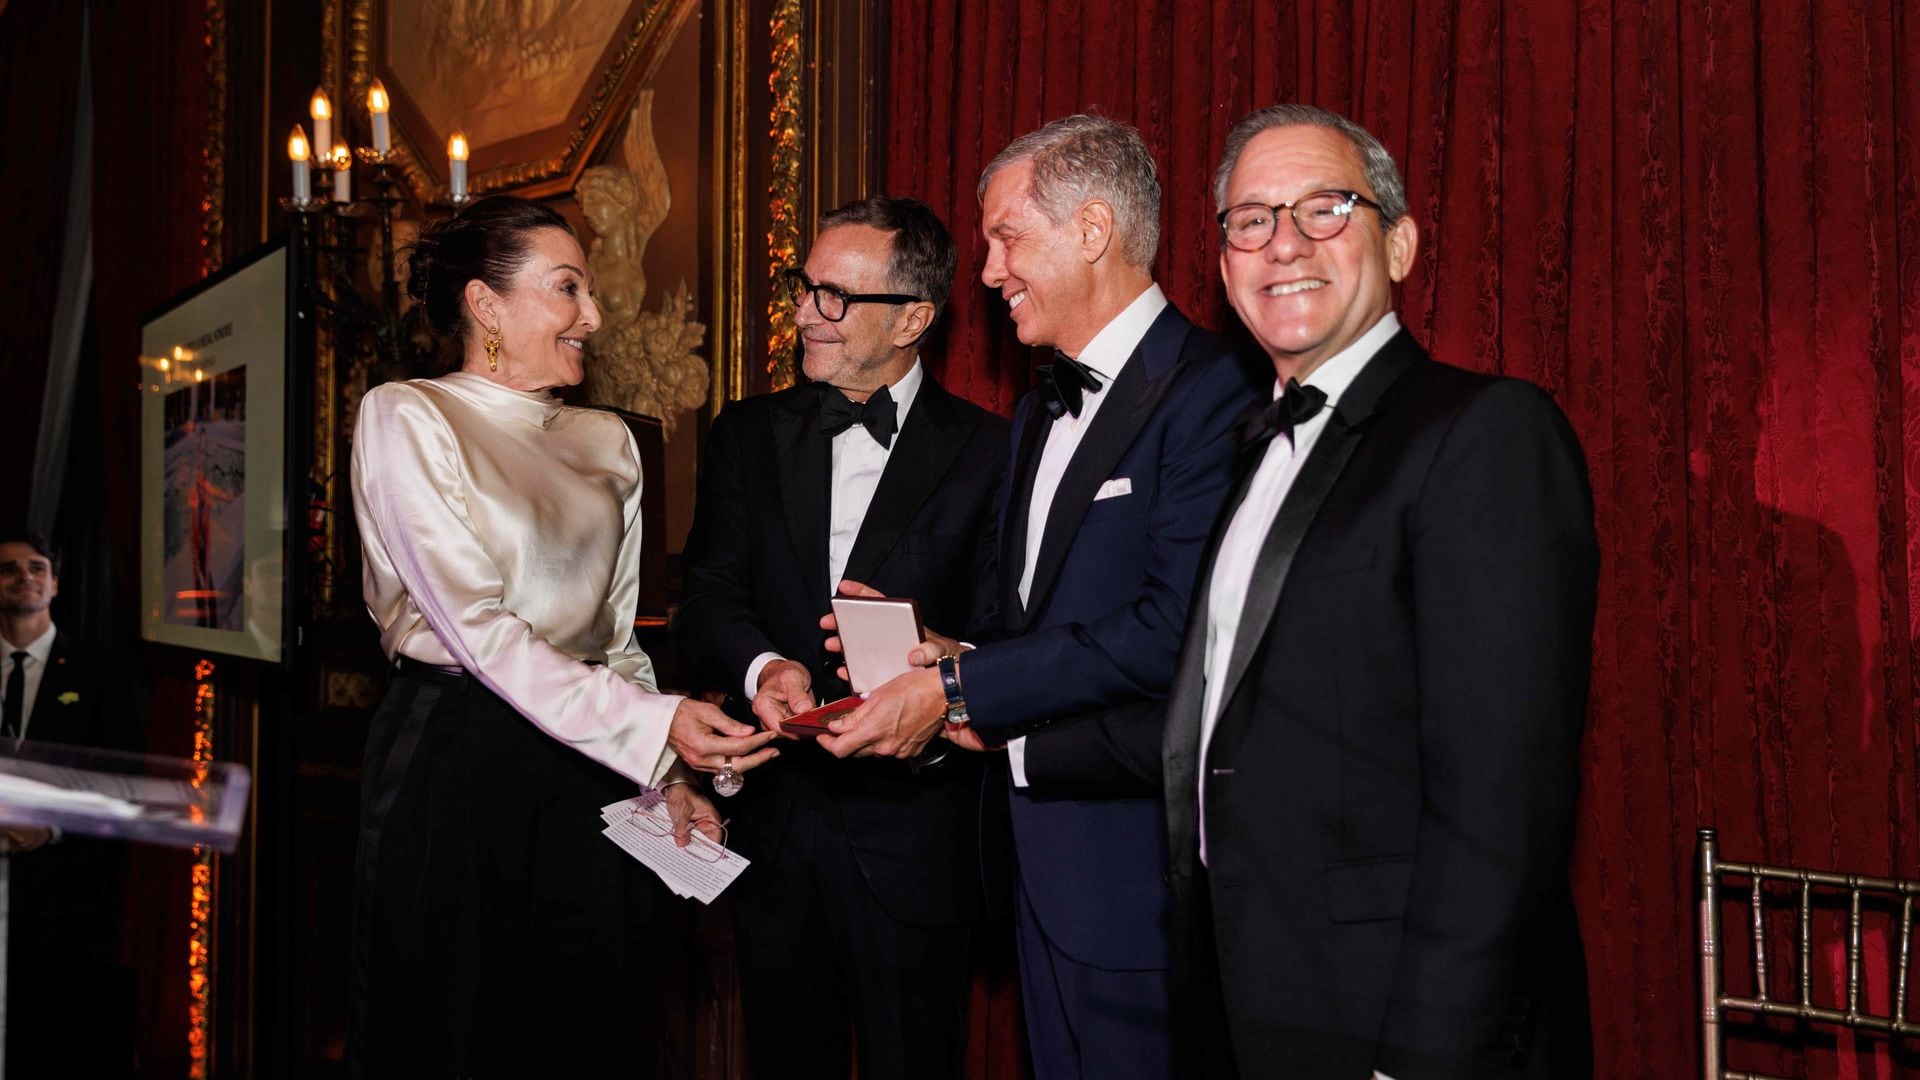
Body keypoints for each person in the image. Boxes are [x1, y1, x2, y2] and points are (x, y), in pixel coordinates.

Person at [1159, 105, 1598, 1079]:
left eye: (1326, 209)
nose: (1285, 243)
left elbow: (1502, 802)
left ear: (1398, 243)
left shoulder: (1485, 435)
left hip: (1400, 1026)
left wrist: (1424, 1057)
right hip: (1248, 1006)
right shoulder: (1249, 456)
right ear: (1224, 264)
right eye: (1252, 219)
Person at [821, 117, 1261, 1079]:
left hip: (1140, 882)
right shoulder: (1032, 411)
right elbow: (1028, 627)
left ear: (1094, 228)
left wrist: (963, 690)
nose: (985, 271)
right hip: (1036, 879)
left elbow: (1174, 631)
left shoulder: (1215, 391)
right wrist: (944, 650)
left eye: (1007, 237)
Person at [347, 195, 776, 1077]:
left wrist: (670, 774)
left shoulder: (609, 440)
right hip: (458, 752)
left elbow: (617, 643)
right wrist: (652, 726)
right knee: (456, 1027)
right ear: (486, 305)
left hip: (588, 760)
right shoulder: (407, 415)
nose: (595, 314)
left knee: (594, 1025)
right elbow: (471, 625)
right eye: (567, 289)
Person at [672, 196, 1008, 1080]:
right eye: (803, 287)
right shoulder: (745, 435)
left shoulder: (994, 452)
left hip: (918, 833)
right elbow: (704, 597)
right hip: (776, 825)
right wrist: (763, 665)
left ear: (914, 318)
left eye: (834, 297)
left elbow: (1013, 636)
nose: (803, 313)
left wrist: (946, 654)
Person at [0, 527, 142, 1078]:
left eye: (36, 567)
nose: (24, 577)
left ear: (55, 583)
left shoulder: (100, 671)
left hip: (63, 894)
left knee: (51, 1038)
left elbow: (119, 779)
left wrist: (52, 828)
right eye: (9, 568)